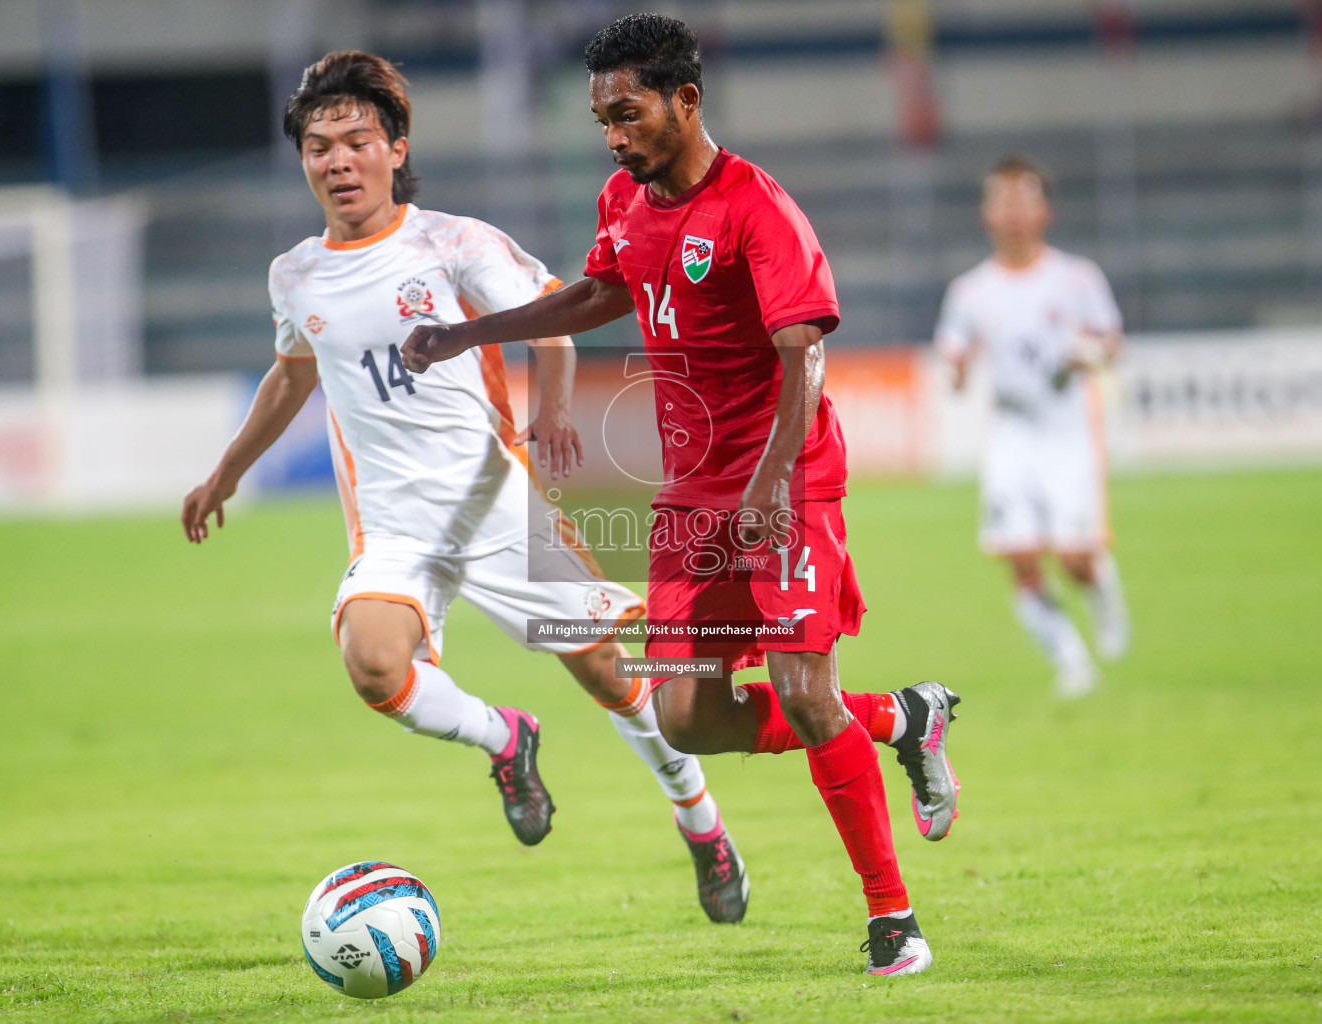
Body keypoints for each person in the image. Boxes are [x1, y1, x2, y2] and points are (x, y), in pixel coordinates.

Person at [402, 14, 960, 977]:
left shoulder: (758, 207)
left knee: (799, 685)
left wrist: (774, 481)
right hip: (693, 487)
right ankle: (903, 717)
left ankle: (893, 920)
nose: (614, 137)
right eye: (601, 120)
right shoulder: (625, 196)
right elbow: (595, 294)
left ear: (685, 101)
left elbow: (807, 356)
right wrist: (466, 334)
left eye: (628, 115)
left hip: (786, 475)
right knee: (687, 716)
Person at [180, 49, 748, 924]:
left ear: (396, 148)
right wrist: (225, 472)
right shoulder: (295, 273)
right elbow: (292, 373)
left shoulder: (453, 243)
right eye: (318, 146)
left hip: (496, 510)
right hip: (394, 530)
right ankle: (504, 736)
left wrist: (554, 415)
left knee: (607, 668)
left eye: (356, 141)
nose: (336, 161)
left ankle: (699, 819)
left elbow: (552, 325)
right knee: (373, 664)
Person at [934, 156, 1132, 698]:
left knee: (1072, 559)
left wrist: (1089, 353)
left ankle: (1101, 586)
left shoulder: (1076, 278)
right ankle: (1072, 663)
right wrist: (955, 371)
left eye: (1024, 198)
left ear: (1045, 210)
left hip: (1067, 434)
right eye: (1003, 199)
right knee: (1021, 558)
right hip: (1012, 436)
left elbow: (1112, 343)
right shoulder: (971, 292)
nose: (1014, 210)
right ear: (986, 214)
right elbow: (953, 354)